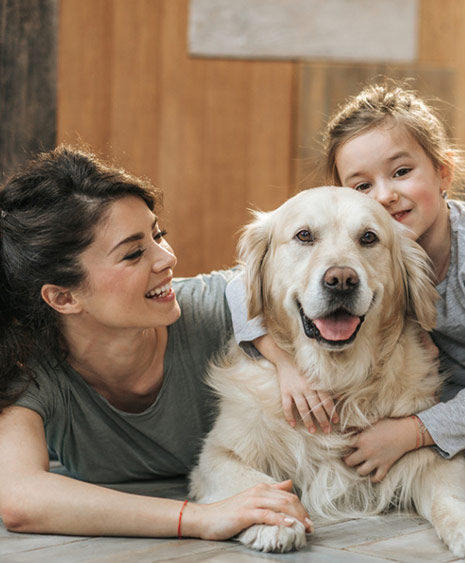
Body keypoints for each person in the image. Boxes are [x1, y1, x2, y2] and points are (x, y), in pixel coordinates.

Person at [228, 83, 465, 505]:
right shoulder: (371, 252)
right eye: (362, 186)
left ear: (443, 172)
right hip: (459, 383)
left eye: (401, 172)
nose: (385, 195)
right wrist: (285, 365)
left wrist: (410, 433)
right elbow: (237, 284)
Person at [0, 147, 312, 539]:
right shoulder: (30, 368)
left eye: (158, 234)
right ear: (63, 298)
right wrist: (200, 519)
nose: (167, 259)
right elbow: (20, 497)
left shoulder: (229, 312)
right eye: (133, 253)